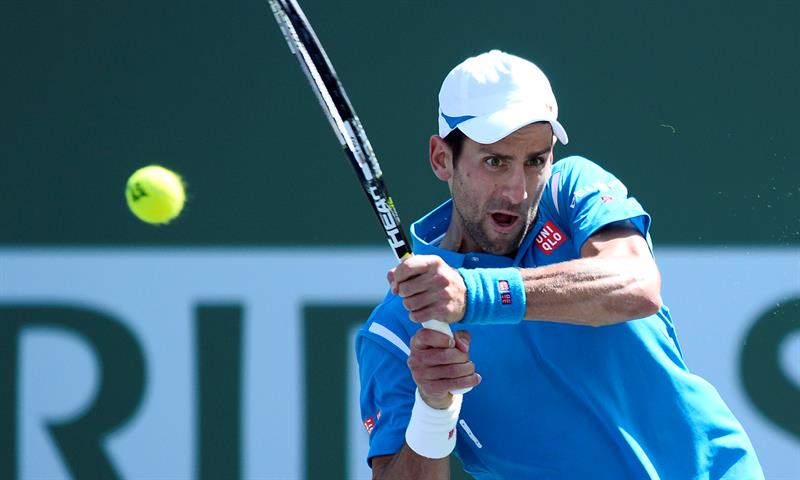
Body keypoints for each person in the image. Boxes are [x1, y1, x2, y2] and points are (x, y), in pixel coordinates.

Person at [355, 50, 763, 479]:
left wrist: (472, 294)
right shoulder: (394, 329)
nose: (518, 191)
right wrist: (433, 412)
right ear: (442, 158)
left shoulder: (568, 191)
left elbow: (636, 285)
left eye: (536, 161)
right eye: (495, 161)